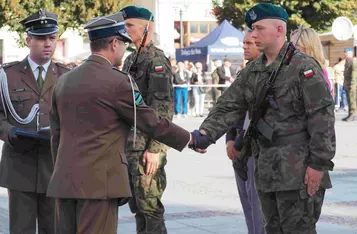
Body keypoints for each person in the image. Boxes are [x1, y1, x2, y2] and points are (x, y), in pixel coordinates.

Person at [191, 3, 335, 233]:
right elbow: (229, 104)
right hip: (266, 169)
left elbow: (322, 119)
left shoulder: (304, 67)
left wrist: (318, 165)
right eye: (251, 29)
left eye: (258, 28)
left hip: (298, 171)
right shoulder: (253, 70)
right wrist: (205, 134)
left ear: (279, 29)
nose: (252, 34)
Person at [46, 12, 192, 234]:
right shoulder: (118, 82)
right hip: (99, 186)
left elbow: (56, 135)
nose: (125, 49)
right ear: (114, 44)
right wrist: (189, 138)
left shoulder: (64, 80)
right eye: (122, 43)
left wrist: (63, 169)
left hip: (64, 181)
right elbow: (151, 121)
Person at [0, 9, 70, 234]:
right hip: (20, 165)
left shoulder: (67, 75)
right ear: (28, 39)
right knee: (21, 229)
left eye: (51, 37)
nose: (47, 43)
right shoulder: (6, 75)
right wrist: (9, 132)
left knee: (55, 228)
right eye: (40, 38)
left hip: (55, 167)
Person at [121, 6, 175, 233]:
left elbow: (163, 109)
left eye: (130, 25)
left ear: (147, 28)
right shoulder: (131, 60)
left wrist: (156, 149)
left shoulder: (156, 61)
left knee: (150, 208)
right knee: (137, 207)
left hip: (147, 150)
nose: (125, 30)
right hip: (131, 147)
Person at [225, 31, 264, 234]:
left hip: (254, 150)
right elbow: (233, 109)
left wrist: (238, 142)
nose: (245, 47)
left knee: (260, 215)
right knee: (249, 209)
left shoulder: (269, 74)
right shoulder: (244, 74)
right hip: (239, 152)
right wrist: (229, 140)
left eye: (249, 43)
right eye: (244, 43)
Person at [290, 26, 332, 95]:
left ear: (309, 46)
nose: (291, 48)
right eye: (291, 45)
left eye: (297, 45)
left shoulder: (312, 72)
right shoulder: (296, 68)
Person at [342, 48, 356, 121]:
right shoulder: (347, 61)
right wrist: (345, 84)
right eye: (345, 52)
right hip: (347, 84)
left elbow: (354, 75)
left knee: (352, 100)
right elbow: (346, 75)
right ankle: (349, 114)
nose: (345, 53)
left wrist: (352, 85)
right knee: (349, 100)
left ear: (351, 53)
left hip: (351, 84)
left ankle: (352, 115)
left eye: (347, 52)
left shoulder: (353, 61)